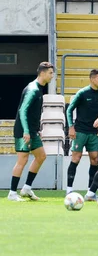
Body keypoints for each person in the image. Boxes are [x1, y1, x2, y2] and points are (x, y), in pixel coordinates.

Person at [8, 62, 54, 201]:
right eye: (50, 73)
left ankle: (27, 188)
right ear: (42, 73)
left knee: (41, 156)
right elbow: (23, 111)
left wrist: (36, 129)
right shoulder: (32, 89)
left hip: (32, 130)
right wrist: (26, 131)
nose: (52, 76)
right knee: (22, 160)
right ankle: (12, 193)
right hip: (23, 130)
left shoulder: (39, 89)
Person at [66, 69, 98, 194]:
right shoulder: (82, 93)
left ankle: (91, 191)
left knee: (95, 159)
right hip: (80, 131)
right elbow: (69, 110)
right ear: (92, 79)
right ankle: (69, 189)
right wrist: (71, 127)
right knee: (76, 158)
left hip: (93, 132)